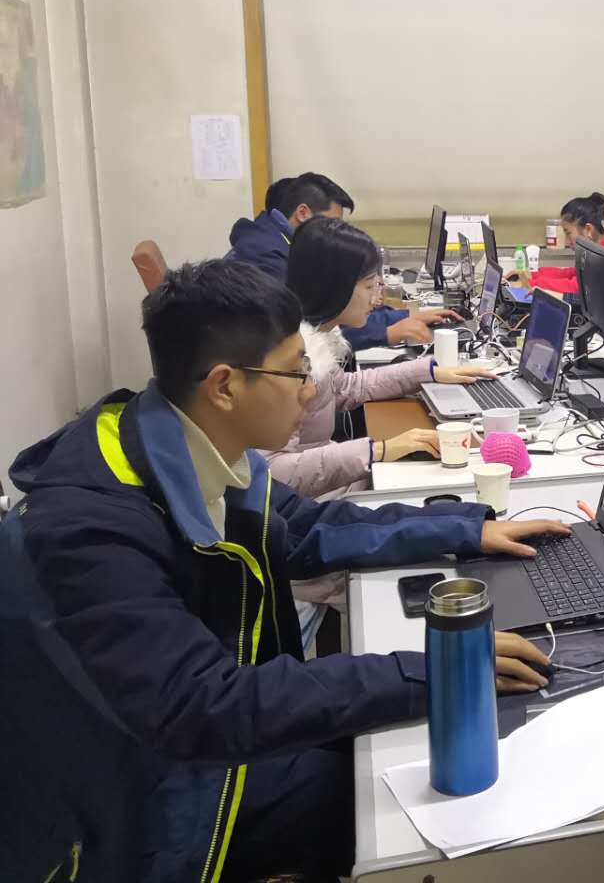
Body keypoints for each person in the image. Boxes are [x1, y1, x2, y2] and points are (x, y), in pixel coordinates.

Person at [0, 259, 568, 881]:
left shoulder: (185, 438)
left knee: (394, 737)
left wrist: (464, 529)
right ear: (224, 386)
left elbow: (306, 529)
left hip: (188, 730)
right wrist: (431, 670)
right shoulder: (90, 531)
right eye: (297, 370)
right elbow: (205, 706)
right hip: (133, 800)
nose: (310, 388)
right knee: (399, 790)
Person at [270, 217, 490, 499]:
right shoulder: (288, 363)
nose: (377, 297)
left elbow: (345, 388)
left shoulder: (315, 339)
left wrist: (428, 372)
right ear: (335, 286)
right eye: (370, 285)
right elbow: (275, 473)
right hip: (314, 505)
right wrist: (379, 450)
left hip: (329, 486)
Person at [227, 171, 452, 347]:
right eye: (331, 222)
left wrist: (404, 316)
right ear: (302, 213)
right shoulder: (266, 257)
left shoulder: (282, 242)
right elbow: (308, 325)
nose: (334, 231)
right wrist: (387, 332)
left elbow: (333, 310)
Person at [527, 192, 604, 295]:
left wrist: (533, 283)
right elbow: (570, 273)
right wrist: (533, 274)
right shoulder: (595, 252)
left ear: (588, 229)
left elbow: (577, 288)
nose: (567, 242)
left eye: (568, 233)